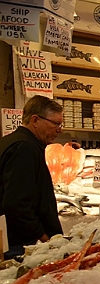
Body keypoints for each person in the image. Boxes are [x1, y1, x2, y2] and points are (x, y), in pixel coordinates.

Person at [0, 95, 64, 258]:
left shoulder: (16, 142)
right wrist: (44, 238)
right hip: (21, 246)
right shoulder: (24, 148)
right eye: (56, 123)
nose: (59, 129)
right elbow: (17, 204)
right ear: (35, 120)